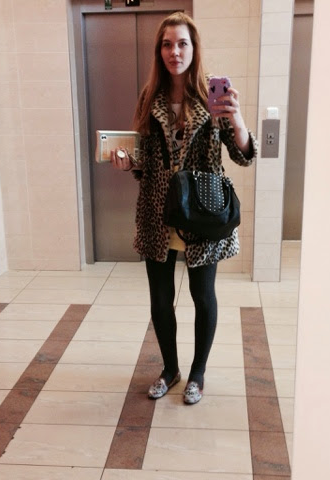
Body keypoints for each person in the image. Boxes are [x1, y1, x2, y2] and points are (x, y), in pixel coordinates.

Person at [109, 12, 258, 405]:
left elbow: (242, 155)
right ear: (159, 51)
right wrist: (128, 162)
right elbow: (144, 158)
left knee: (202, 295)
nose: (174, 51)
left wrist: (237, 117)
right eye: (167, 44)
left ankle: (198, 374)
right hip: (158, 213)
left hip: (203, 212)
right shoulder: (150, 97)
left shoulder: (211, 97)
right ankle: (170, 369)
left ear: (194, 49)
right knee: (160, 299)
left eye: (182, 44)